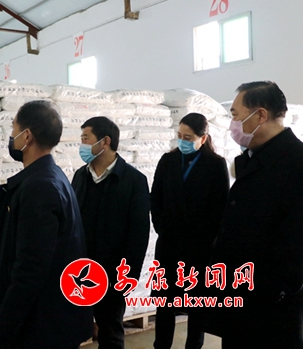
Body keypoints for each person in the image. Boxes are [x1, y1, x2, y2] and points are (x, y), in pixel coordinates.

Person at [0, 100, 93, 349]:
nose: (11, 136)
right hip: (49, 320)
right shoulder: (52, 177)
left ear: (26, 136)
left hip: (40, 327)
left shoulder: (40, 187)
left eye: (13, 129)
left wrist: (4, 327)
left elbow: (30, 267)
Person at [204, 81, 303, 348]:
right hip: (241, 300)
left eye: (235, 115)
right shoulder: (254, 158)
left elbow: (295, 245)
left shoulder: (295, 163)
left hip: (270, 310)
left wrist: (277, 291)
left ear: (260, 115)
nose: (232, 124)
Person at [150, 113, 229, 349]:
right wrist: (162, 227)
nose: (182, 141)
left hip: (199, 249)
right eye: (179, 136)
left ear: (202, 138)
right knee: (165, 304)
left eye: (188, 137)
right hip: (169, 245)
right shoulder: (168, 161)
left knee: (196, 306)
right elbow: (156, 198)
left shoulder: (215, 165)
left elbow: (220, 208)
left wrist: (205, 239)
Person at [71, 116, 150, 349]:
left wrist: (128, 275)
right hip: (81, 270)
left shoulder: (134, 181)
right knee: (72, 328)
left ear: (105, 141)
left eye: (86, 138)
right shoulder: (80, 176)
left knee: (110, 331)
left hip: (112, 273)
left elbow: (139, 234)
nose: (82, 144)